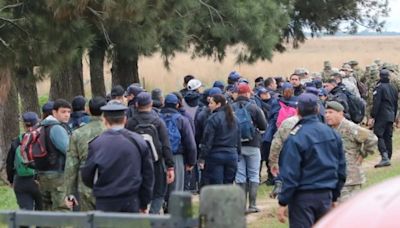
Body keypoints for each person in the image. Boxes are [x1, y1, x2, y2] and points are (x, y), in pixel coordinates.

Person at [277, 93, 346, 228]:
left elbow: (290, 173)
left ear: (297, 111)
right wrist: (334, 195)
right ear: (317, 110)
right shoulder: (331, 133)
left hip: (302, 198)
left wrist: (283, 201)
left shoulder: (296, 137)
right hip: (325, 194)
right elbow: (341, 168)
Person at [81, 100, 154, 213]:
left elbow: (87, 175)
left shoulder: (96, 144)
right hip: (131, 198)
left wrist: (100, 187)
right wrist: (144, 202)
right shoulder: (138, 141)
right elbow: (148, 175)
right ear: (125, 119)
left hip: (105, 200)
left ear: (104, 120)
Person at [126, 92, 175, 214]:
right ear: (151, 104)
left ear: (136, 104)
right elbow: (166, 146)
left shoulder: (131, 123)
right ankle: (153, 216)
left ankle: (141, 213)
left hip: (136, 165)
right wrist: (170, 166)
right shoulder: (158, 122)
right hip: (156, 163)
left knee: (138, 191)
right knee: (158, 193)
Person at [325, 101, 377, 202]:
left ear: (340, 113)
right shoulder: (329, 129)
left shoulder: (349, 127)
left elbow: (372, 139)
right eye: (326, 112)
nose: (327, 115)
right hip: (335, 177)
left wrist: (362, 154)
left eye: (330, 112)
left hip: (350, 179)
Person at [63, 97, 107, 211]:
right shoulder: (111, 131)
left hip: (85, 183)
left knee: (89, 220)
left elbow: (71, 165)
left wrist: (70, 192)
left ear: (88, 110)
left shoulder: (77, 133)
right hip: (109, 181)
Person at [233, 83, 267, 214]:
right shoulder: (254, 108)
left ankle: (240, 206)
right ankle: (252, 205)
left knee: (240, 176)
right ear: (248, 93)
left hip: (237, 147)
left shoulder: (230, 108)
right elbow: (264, 126)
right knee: (253, 175)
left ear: (237, 93)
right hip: (253, 145)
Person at [160, 94, 197, 210]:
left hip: (160, 157)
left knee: (162, 188)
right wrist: (191, 162)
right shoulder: (182, 120)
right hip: (177, 157)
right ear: (177, 104)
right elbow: (191, 144)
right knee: (177, 188)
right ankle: (173, 214)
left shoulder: (157, 118)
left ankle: (163, 209)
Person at [38, 99, 72, 211]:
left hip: (42, 174)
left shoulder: (42, 126)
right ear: (54, 112)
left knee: (47, 212)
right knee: (62, 210)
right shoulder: (57, 128)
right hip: (57, 175)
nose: (67, 115)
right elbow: (69, 150)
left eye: (68, 112)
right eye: (63, 112)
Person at [199, 94, 241, 184]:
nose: (209, 105)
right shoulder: (235, 119)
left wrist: (202, 157)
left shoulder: (213, 118)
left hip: (216, 154)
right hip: (232, 154)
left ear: (218, 104)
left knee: (217, 184)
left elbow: (207, 140)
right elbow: (238, 138)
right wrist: (238, 154)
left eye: (211, 103)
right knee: (228, 184)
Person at [6, 112, 42, 211]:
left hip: (21, 181)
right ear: (37, 122)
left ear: (24, 125)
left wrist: (11, 180)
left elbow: (9, 163)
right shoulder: (41, 138)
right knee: (42, 214)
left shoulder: (17, 141)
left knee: (25, 213)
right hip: (39, 180)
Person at [371, 69, 398, 168]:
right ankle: (388, 157)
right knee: (388, 136)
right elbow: (395, 104)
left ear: (380, 76)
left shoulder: (379, 88)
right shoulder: (393, 88)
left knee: (379, 134)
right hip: (391, 115)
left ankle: (384, 157)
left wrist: (373, 115)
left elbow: (376, 103)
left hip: (382, 115)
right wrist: (394, 117)